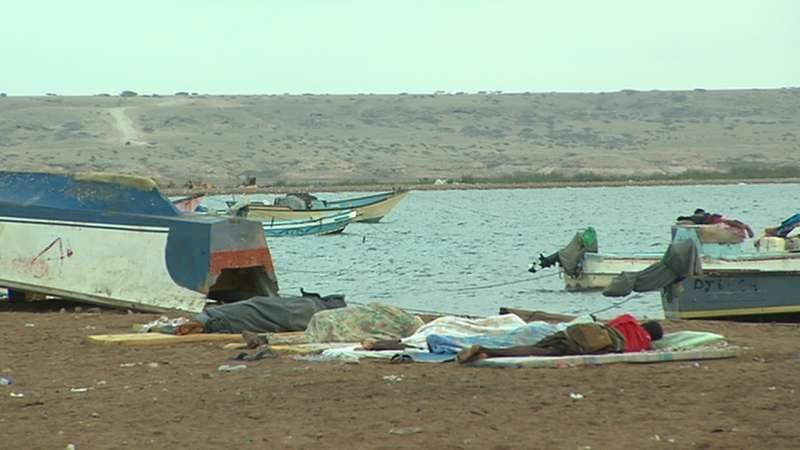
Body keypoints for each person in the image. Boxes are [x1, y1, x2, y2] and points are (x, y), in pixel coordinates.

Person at [457, 313, 663, 364]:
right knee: (539, 351)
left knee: (541, 344)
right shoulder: (643, 345)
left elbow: (609, 325)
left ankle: (485, 351)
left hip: (585, 331)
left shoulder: (629, 320)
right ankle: (487, 351)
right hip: (590, 344)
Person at [676, 208, 754, 239]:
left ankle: (744, 226)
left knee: (725, 221)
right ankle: (743, 226)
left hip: (712, 219)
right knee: (729, 220)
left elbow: (681, 218)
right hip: (715, 216)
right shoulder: (704, 215)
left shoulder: (694, 217)